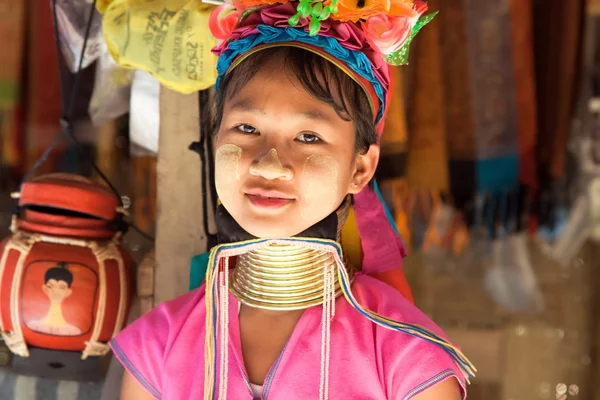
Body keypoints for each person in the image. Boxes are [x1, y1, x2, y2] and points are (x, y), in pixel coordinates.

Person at [110, 0, 475, 399]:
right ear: (215, 140)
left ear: (360, 169)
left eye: (308, 137)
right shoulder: (156, 348)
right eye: (246, 128)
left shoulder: (409, 361)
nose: (268, 165)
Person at [28, 262, 82, 336]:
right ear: (45, 288)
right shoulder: (33, 325)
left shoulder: (73, 331)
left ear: (68, 292)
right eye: (51, 286)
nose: (55, 291)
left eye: (62, 287)